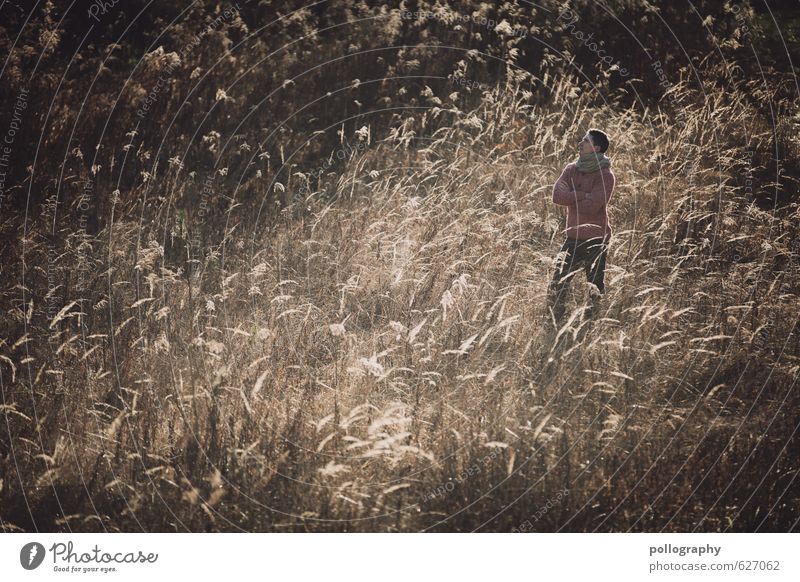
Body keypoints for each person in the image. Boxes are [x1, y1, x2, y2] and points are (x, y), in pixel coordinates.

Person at [547, 128, 616, 325]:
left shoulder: (606, 175)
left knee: (594, 285)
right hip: (573, 237)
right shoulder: (572, 169)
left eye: (585, 141)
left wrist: (573, 194)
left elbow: (593, 206)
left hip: (596, 238)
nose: (580, 143)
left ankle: (591, 325)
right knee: (558, 281)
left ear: (596, 148)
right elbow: (557, 196)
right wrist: (581, 195)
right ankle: (553, 322)